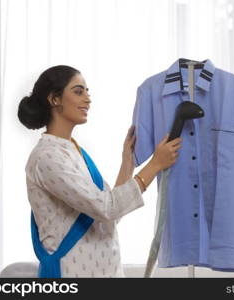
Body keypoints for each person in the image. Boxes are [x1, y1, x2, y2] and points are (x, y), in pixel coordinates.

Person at [17, 65, 182, 277]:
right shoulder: (47, 157)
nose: (87, 99)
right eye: (78, 91)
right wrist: (155, 164)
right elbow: (107, 208)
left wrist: (127, 163)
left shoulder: (75, 151)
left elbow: (108, 217)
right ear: (54, 99)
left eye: (87, 92)